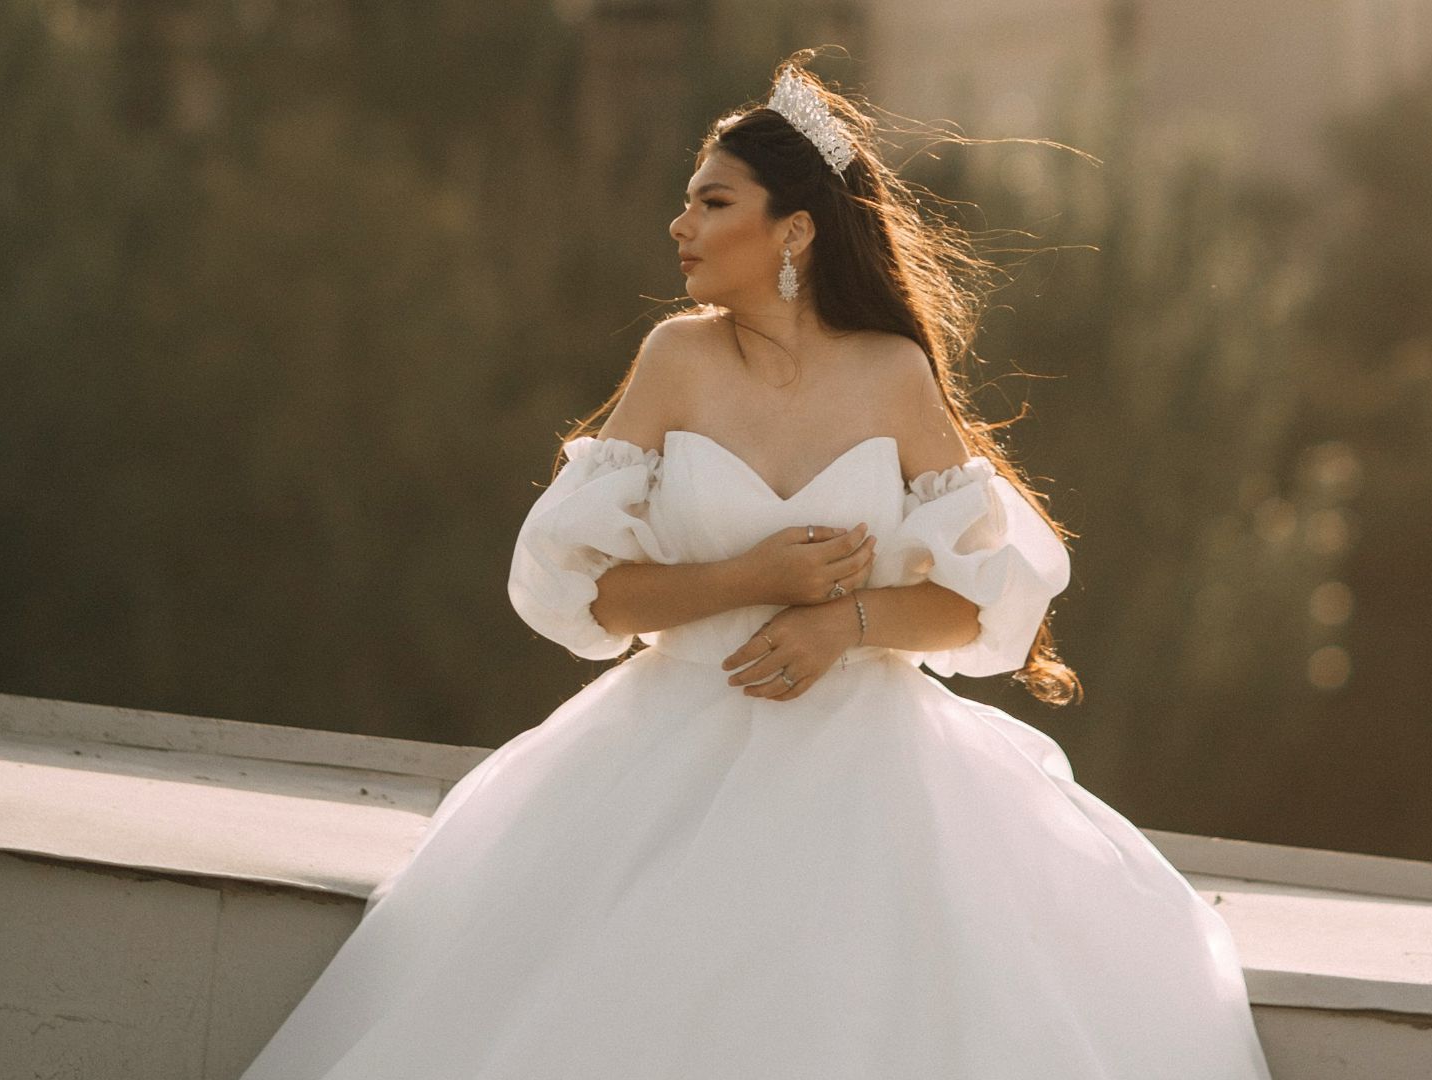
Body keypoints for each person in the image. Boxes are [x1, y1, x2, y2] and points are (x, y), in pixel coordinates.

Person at [237, 55, 1274, 1080]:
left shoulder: (893, 374)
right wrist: (754, 576)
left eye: (710, 201)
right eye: (686, 204)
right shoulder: (674, 359)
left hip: (872, 773)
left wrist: (844, 623)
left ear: (795, 230)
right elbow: (576, 591)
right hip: (664, 750)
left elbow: (974, 607)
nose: (680, 226)